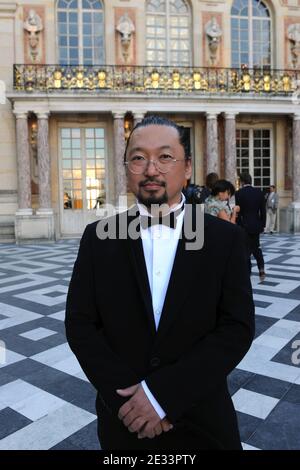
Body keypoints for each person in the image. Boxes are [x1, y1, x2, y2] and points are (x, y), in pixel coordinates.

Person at [65, 116, 254, 450]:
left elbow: (236, 328)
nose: (151, 169)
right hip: (125, 423)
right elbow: (80, 325)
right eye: (138, 158)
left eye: (165, 157)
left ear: (187, 168)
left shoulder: (226, 239)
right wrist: (130, 402)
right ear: (126, 168)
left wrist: (162, 396)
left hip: (204, 423)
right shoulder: (97, 239)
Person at [235, 172, 266, 281]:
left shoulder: (238, 193)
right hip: (256, 225)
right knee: (256, 247)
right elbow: (263, 210)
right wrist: (263, 225)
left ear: (242, 181)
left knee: (246, 249)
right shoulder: (259, 192)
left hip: (244, 225)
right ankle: (261, 269)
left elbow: (238, 212)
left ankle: (248, 272)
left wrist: (238, 225)